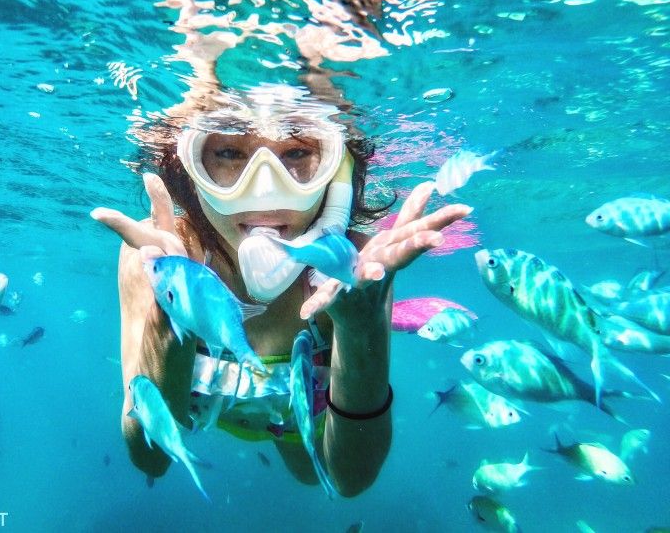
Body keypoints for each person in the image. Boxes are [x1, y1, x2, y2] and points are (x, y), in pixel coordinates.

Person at [92, 75, 471, 496]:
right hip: (207, 404)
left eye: (297, 153)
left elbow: (349, 479)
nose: (265, 189)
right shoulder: (154, 255)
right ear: (190, 170)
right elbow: (151, 458)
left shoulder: (356, 268)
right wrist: (174, 308)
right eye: (229, 153)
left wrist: (360, 328)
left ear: (337, 172)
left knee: (310, 473)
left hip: (297, 416)